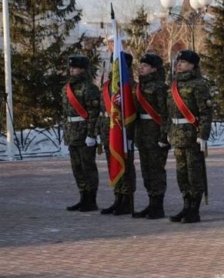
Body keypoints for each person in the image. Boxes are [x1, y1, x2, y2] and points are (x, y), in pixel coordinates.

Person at [164, 50, 213, 224]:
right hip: (177, 135)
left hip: (192, 135)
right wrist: (168, 132)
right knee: (181, 173)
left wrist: (202, 135)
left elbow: (206, 112)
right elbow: (168, 112)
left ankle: (194, 209)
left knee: (194, 173)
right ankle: (186, 205)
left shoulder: (199, 84)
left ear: (193, 65)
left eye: (184, 62)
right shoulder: (174, 84)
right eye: (179, 61)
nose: (179, 64)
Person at [132, 53, 170, 220]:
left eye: (145, 66)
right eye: (141, 65)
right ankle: (151, 202)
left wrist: (164, 136)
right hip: (143, 134)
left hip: (155, 134)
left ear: (154, 69)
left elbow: (164, 113)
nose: (141, 68)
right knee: (146, 170)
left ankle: (158, 206)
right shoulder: (139, 87)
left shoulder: (160, 87)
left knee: (156, 170)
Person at [99, 52, 136, 216]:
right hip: (110, 129)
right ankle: (118, 197)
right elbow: (101, 111)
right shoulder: (107, 86)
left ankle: (127, 199)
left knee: (126, 166)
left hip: (124, 130)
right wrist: (96, 132)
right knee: (112, 163)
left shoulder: (130, 86)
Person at [62, 55, 101, 212]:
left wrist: (91, 134)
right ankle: (82, 196)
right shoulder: (66, 88)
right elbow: (66, 113)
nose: (72, 69)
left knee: (88, 167)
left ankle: (91, 199)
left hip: (84, 132)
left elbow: (93, 113)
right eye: (71, 67)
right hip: (72, 133)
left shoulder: (89, 88)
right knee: (76, 168)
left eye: (75, 67)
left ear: (83, 69)